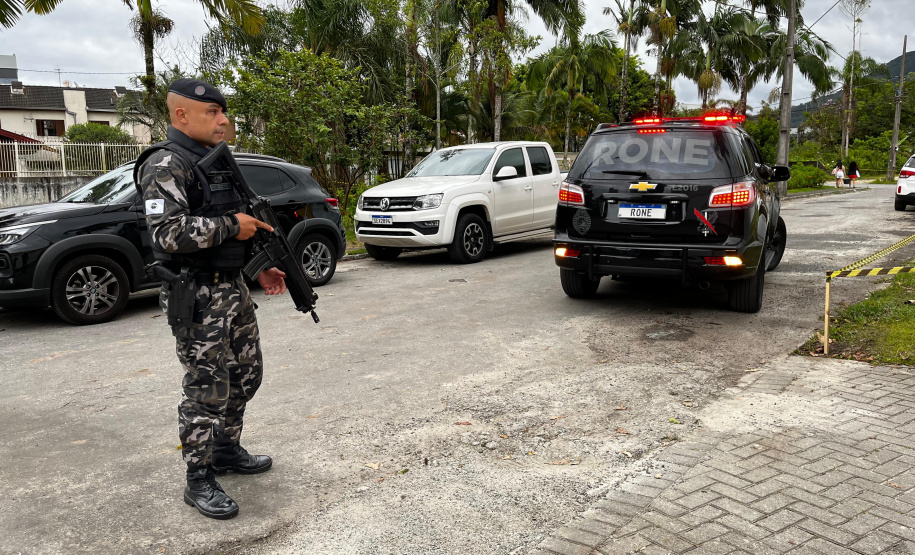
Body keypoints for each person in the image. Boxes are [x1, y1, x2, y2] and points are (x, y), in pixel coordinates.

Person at [134, 78, 288, 520]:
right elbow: (167, 232)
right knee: (206, 389)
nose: (223, 120)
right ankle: (198, 478)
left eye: (224, 112)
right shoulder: (165, 164)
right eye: (212, 113)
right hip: (195, 294)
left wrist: (260, 267)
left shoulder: (214, 162)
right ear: (181, 115)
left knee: (247, 374)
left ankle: (225, 449)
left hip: (232, 289)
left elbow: (242, 225)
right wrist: (228, 226)